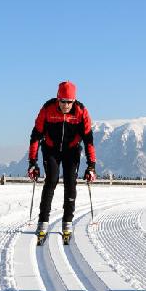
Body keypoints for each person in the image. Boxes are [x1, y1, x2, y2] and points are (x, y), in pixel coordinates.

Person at [27, 81, 97, 239]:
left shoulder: (81, 112)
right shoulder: (47, 109)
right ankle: (43, 222)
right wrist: (32, 162)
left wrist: (91, 166)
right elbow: (35, 136)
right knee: (51, 180)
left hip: (71, 151)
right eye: (63, 101)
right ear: (58, 99)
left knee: (70, 183)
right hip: (51, 149)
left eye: (69, 102)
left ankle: (67, 222)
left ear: (74, 100)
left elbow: (89, 141)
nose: (66, 105)